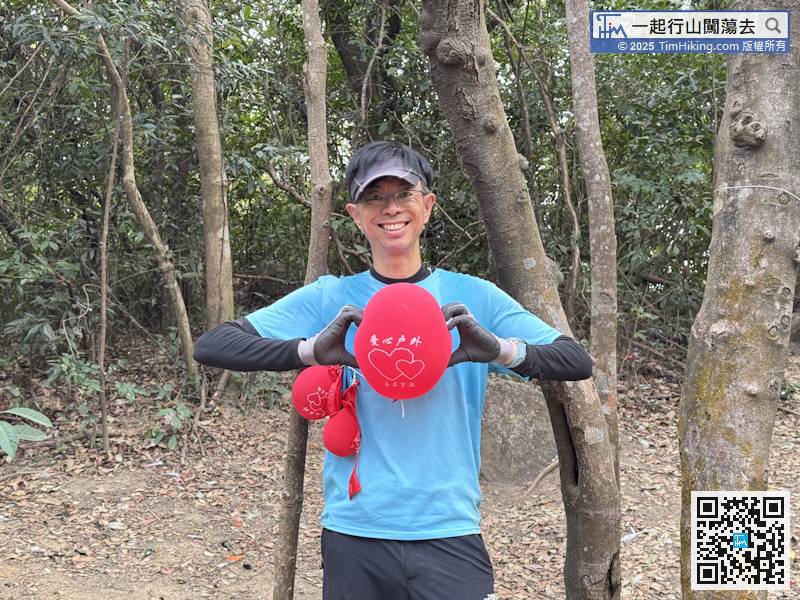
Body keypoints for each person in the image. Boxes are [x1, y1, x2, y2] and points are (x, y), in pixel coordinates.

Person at [193, 141, 593, 600]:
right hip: (355, 529)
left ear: (427, 205)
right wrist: (311, 350)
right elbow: (215, 345)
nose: (391, 208)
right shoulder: (332, 298)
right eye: (374, 197)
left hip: (449, 528)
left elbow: (575, 360)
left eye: (404, 194)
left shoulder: (472, 297)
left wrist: (497, 350)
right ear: (355, 214)